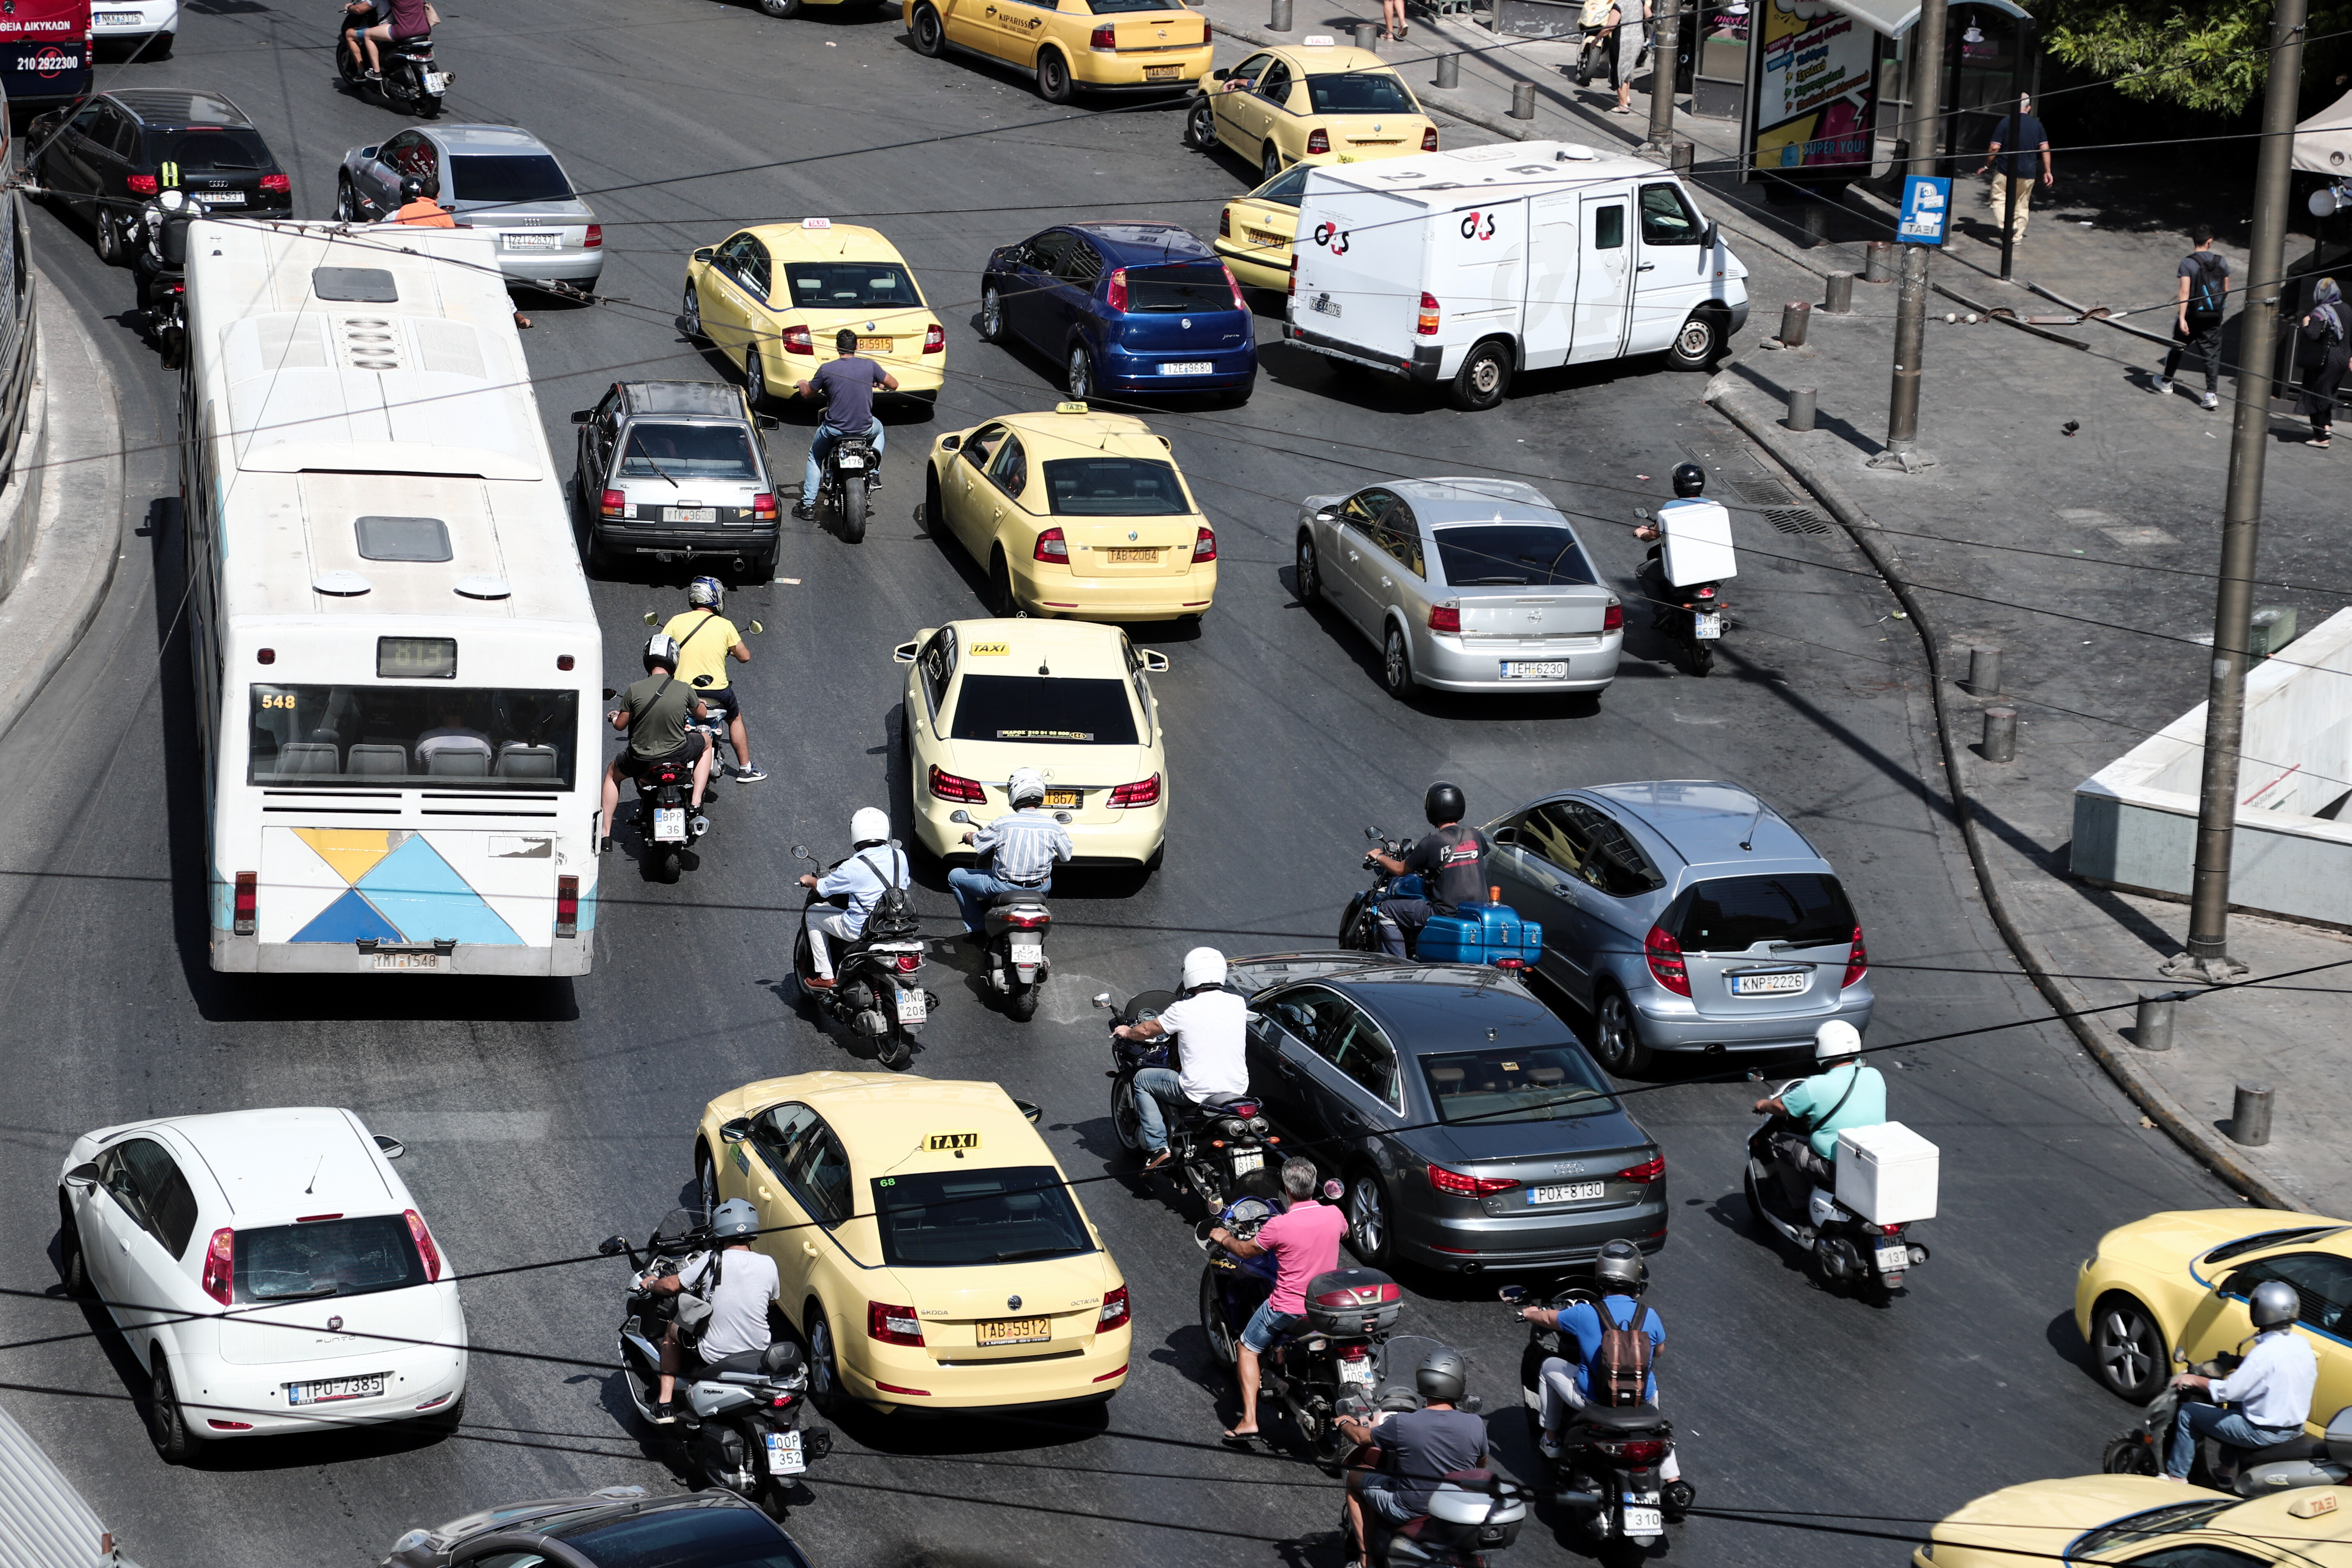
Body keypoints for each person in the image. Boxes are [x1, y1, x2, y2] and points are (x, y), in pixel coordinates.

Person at [1518, 1239, 1686, 1492]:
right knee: (1657, 1425)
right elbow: (1658, 1351)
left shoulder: (1585, 1314)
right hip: (1642, 1398)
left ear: (1601, 1276)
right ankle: (1673, 1480)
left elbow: (1549, 1318)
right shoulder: (1649, 1315)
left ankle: (1551, 1441)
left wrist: (1530, 1312)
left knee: (1549, 1367)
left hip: (1594, 1398)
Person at [1208, 1156, 1346, 1441]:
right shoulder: (1334, 1214)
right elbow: (1342, 1233)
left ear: (1286, 1188)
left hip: (1287, 1307)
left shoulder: (1279, 1226)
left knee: (1246, 1347)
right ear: (1313, 1184)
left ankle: (1249, 1420)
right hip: (1324, 1305)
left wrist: (1224, 1238)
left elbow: (1246, 1251)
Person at [635, 1198, 780, 1426]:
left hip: (717, 1354)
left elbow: (672, 1286)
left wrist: (652, 1284)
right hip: (760, 1354)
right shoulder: (769, 1264)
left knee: (672, 1329)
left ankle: (664, 1404)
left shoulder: (710, 1260)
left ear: (720, 1228)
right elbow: (771, 1303)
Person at [1338, 1346, 1492, 1560]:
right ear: (1458, 1382)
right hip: (1453, 1511)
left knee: (1355, 1478)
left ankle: (1366, 1562)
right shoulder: (1475, 1424)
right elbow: (1481, 1465)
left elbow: (1360, 1438)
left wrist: (1344, 1422)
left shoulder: (1404, 1423)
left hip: (1408, 1510)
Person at [2166, 1279, 2315, 1483]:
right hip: (2294, 1428)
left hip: (2263, 1433)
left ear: (2262, 1311)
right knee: (2239, 1405)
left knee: (2188, 1414)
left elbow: (2228, 1391)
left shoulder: (2264, 1352)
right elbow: (2276, 1371)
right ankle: (2225, 1471)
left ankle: (2177, 1478)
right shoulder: (2301, 1344)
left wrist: (2194, 1379)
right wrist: (2241, 1362)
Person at [1116, 947, 1250, 1171]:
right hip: (1237, 1090)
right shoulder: (1238, 1003)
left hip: (1196, 1091)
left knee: (1142, 1080)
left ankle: (1158, 1147)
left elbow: (1149, 1030)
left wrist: (1127, 1032)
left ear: (1190, 974)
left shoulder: (1183, 1010)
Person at [1754, 1020, 1885, 1209]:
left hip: (1834, 1165)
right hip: (1872, 1157)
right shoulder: (1875, 1075)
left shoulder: (1815, 1086)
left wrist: (1763, 1104)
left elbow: (1781, 1108)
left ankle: (1798, 1205)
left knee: (1782, 1144)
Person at [600, 634, 712, 853]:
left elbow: (621, 726)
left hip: (641, 759)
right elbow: (702, 714)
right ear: (674, 660)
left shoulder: (634, 689)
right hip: (679, 753)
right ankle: (697, 801)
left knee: (613, 774)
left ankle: (605, 834)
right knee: (707, 743)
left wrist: (614, 717)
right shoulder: (684, 688)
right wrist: (696, 702)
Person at [1369, 782, 1491, 959]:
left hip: (1444, 912)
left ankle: (1397, 966)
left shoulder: (1431, 843)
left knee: (1387, 910)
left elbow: (1400, 869)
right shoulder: (1475, 835)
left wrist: (1379, 856)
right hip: (1477, 912)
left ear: (1432, 810)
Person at [662, 576, 764, 784]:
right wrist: (731, 650)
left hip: (682, 691)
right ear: (716, 598)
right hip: (717, 692)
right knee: (734, 718)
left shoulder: (675, 622)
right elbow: (745, 656)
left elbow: (662, 652)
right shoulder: (725, 626)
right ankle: (745, 769)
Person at [949, 766, 1072, 936]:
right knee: (1048, 878)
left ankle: (976, 928)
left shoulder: (1003, 824)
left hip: (1003, 886)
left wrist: (968, 836)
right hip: (1040, 889)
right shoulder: (1053, 826)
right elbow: (1066, 857)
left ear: (1014, 792)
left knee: (955, 877)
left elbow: (979, 844)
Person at [796, 807, 910, 988]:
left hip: (862, 929)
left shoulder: (853, 867)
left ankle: (826, 976)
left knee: (812, 914)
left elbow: (824, 889)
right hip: (899, 924)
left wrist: (809, 880)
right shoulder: (900, 856)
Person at [792, 329, 897, 521]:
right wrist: (878, 383)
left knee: (815, 456)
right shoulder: (870, 366)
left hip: (834, 430)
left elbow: (808, 393)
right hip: (865, 428)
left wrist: (802, 383)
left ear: (837, 347)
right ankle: (873, 472)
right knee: (880, 429)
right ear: (856, 347)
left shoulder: (827, 369)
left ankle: (807, 506)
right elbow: (894, 384)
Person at [2156, 224, 2231, 410]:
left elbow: (2185, 292)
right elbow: (2227, 289)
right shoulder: (2222, 262)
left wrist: (2182, 318)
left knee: (2178, 346)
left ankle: (2166, 382)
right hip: (2214, 316)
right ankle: (2211, 394)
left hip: (2193, 316)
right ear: (2210, 241)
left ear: (2193, 240)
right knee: (2212, 354)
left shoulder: (2188, 263)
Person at [1977, 93, 2053, 246]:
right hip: (2029, 173)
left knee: (1998, 199)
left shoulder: (2006, 122)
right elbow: (2045, 148)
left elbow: (1994, 147)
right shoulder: (2037, 125)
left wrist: (1986, 166)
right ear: (2029, 108)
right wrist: (2047, 171)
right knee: (2022, 204)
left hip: (2006, 170)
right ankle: (2017, 237)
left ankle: (2007, 227)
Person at [2296, 277, 2347, 449]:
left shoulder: (2320, 312)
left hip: (2324, 361)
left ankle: (2321, 438)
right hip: (2342, 361)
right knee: (2328, 392)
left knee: (2315, 395)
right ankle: (2326, 426)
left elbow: (2313, 335)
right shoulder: (2347, 309)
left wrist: (2305, 325)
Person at [344, 0, 437, 77]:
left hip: (404, 31)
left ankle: (376, 72)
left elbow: (360, 9)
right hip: (424, 30)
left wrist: (350, 7)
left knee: (367, 35)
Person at [1606, 0, 1651, 115]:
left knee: (1619, 71)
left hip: (1623, 40)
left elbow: (1609, 27)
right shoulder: (1640, 1)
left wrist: (1597, 39)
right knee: (1628, 68)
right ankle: (1627, 97)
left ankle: (1623, 105)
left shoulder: (1619, 5)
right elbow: (1649, 15)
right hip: (1637, 39)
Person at [414, 706, 492, 768]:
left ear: (441, 710)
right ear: (466, 710)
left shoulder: (425, 739)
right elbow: (486, 773)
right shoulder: (482, 741)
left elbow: (421, 772)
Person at [388, 175, 455, 228]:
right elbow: (453, 241)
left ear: (420, 191)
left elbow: (395, 233)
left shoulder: (405, 210)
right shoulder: (445, 217)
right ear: (437, 195)